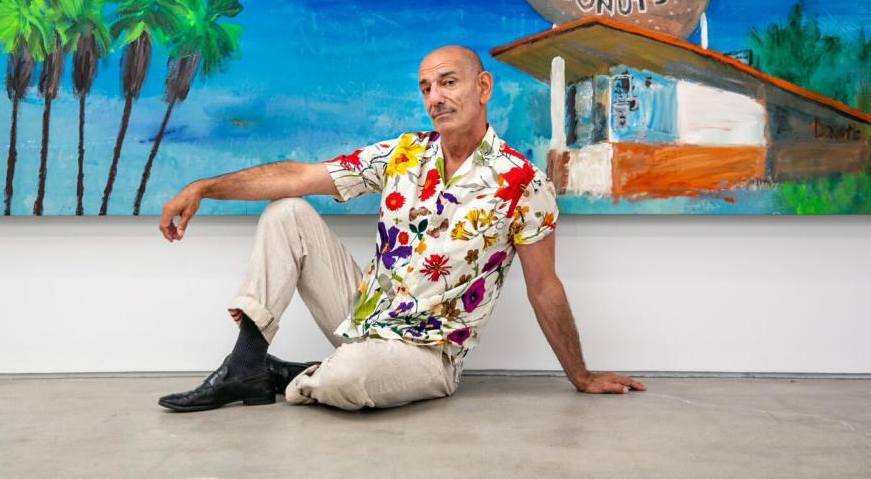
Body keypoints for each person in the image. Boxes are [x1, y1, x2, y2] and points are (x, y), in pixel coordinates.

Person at [157, 45, 646, 412]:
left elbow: (544, 287)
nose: (436, 97)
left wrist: (579, 375)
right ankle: (246, 363)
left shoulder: (524, 183)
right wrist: (204, 186)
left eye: (449, 82)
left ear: (483, 87)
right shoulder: (401, 154)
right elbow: (299, 175)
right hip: (361, 317)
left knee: (344, 379)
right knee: (287, 212)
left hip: (427, 352)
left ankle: (290, 375)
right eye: (426, 88)